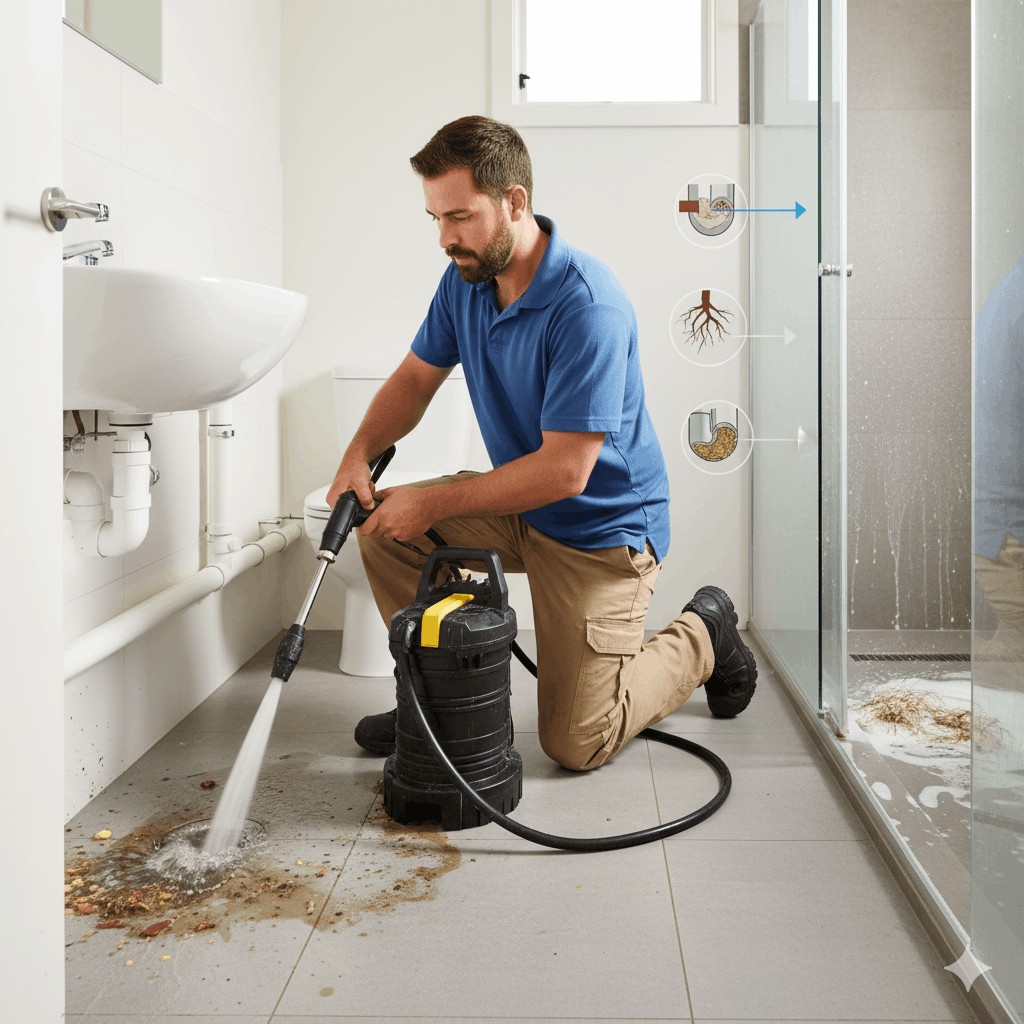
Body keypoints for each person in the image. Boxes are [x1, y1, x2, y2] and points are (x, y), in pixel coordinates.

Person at [326, 115, 756, 771]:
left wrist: (435, 504)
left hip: (602, 533)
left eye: (460, 217)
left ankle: (705, 631)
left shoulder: (588, 304)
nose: (445, 238)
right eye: (436, 219)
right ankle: (439, 702)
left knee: (576, 743)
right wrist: (356, 454)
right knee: (385, 527)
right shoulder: (466, 280)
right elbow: (415, 379)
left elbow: (566, 473)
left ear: (515, 202)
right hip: (522, 507)